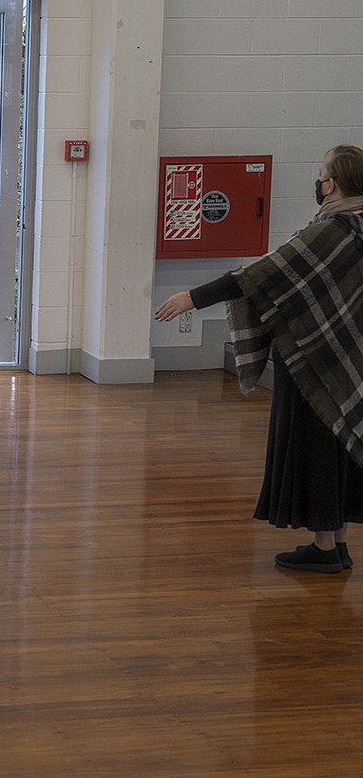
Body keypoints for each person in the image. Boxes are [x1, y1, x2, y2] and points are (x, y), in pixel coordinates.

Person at [156, 144, 363, 574]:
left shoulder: (331, 233)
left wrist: (192, 297)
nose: (318, 180)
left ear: (333, 184)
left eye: (322, 173)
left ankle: (324, 548)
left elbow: (259, 276)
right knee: (342, 443)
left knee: (315, 448)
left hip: (313, 359)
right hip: (351, 359)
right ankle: (339, 544)